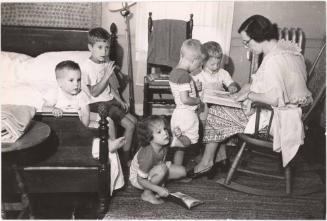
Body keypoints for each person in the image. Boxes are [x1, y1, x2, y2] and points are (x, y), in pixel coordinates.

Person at [189, 15, 312, 178]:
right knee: (224, 108)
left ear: (259, 37)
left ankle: (207, 162)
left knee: (217, 112)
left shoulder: (274, 60)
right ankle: (218, 158)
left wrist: (249, 95)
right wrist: (246, 91)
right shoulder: (286, 51)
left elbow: (274, 98)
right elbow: (267, 84)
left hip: (278, 120)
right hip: (289, 114)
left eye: (247, 42)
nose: (247, 47)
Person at [81, 27, 137, 169]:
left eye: (106, 48)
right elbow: (94, 92)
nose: (104, 51)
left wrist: (120, 100)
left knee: (134, 122)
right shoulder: (86, 67)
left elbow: (110, 88)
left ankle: (124, 157)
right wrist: (106, 75)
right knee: (129, 125)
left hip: (110, 101)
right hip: (98, 104)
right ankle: (122, 160)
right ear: (90, 47)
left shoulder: (105, 62)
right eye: (99, 47)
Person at [42, 60, 126, 152]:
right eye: (71, 80)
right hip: (65, 122)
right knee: (90, 135)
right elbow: (44, 108)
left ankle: (112, 143)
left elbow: (86, 114)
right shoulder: (55, 93)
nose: (76, 84)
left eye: (78, 80)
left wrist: (83, 127)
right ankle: (105, 145)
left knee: (108, 120)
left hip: (82, 119)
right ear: (59, 82)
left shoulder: (81, 94)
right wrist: (53, 109)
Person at [191, 41, 239, 177]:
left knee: (216, 129)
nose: (216, 66)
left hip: (219, 107)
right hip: (203, 108)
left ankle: (219, 159)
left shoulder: (222, 73)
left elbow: (231, 83)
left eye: (218, 63)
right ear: (203, 62)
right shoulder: (198, 74)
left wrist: (232, 87)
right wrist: (196, 88)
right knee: (205, 130)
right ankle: (216, 157)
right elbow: (191, 91)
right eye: (212, 64)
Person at [129, 116, 187, 204]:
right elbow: (141, 180)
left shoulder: (163, 141)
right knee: (162, 169)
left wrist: (180, 136)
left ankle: (158, 181)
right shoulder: (147, 154)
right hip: (138, 179)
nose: (165, 133)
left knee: (182, 171)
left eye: (165, 129)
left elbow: (185, 144)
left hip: (155, 168)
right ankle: (147, 194)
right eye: (159, 132)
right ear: (149, 137)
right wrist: (158, 189)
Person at [168, 39, 205, 166]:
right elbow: (185, 99)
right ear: (194, 59)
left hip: (179, 113)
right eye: (199, 65)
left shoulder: (175, 72)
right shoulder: (184, 76)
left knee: (181, 148)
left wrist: (194, 86)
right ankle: (177, 141)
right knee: (188, 142)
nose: (198, 68)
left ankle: (178, 169)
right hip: (186, 114)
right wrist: (197, 100)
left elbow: (180, 92)